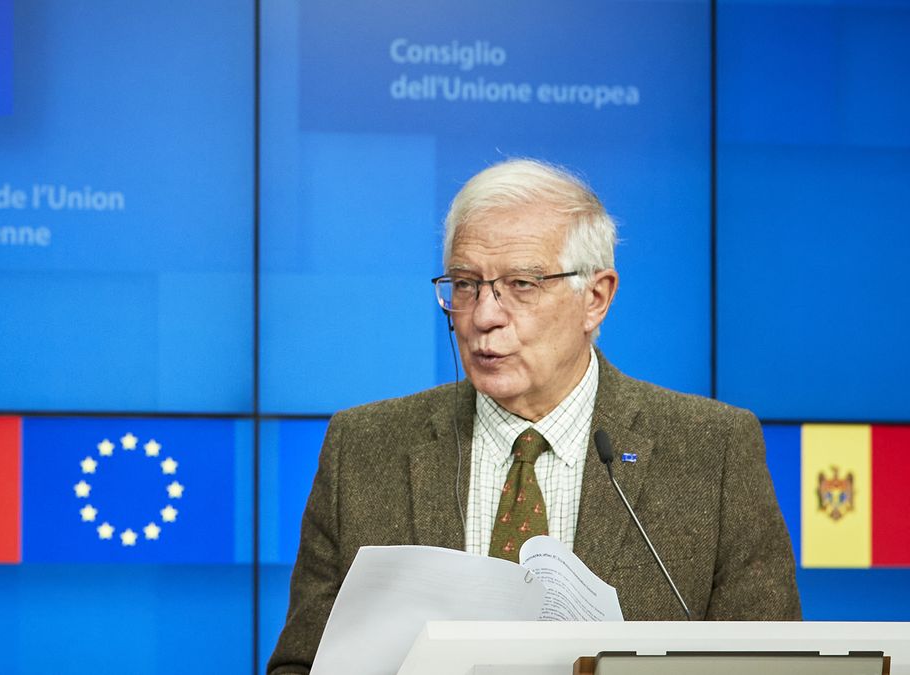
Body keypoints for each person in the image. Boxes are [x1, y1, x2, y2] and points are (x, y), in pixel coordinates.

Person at [267, 158, 800, 674]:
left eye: (521, 285)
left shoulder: (713, 450)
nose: (484, 316)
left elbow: (774, 666)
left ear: (596, 298)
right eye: (466, 284)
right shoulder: (362, 448)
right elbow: (302, 665)